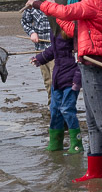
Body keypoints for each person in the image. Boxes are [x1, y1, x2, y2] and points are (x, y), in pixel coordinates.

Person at [29, 0, 102, 182]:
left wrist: (40, 4)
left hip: (93, 63)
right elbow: (73, 27)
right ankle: (94, 171)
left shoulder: (94, 0)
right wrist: (50, 10)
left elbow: (67, 13)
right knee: (92, 121)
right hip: (93, 61)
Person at [32, 15, 83, 154]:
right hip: (58, 77)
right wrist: (40, 58)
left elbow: (81, 58)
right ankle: (55, 143)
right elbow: (53, 50)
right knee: (55, 109)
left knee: (67, 109)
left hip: (71, 78)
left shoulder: (74, 31)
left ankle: (77, 144)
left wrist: (77, 80)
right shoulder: (55, 30)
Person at [22, 0, 55, 103]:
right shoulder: (32, 2)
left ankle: (60, 107)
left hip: (56, 48)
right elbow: (24, 21)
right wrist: (32, 33)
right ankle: (51, 106)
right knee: (47, 80)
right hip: (40, 48)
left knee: (56, 79)